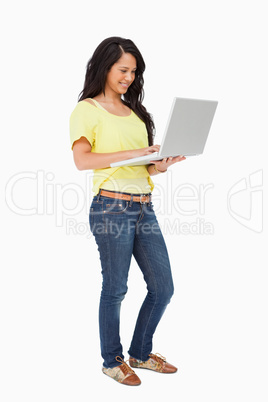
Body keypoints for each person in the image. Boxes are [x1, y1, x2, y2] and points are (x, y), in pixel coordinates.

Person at [69, 36, 185, 386]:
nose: (129, 77)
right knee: (116, 288)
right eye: (123, 70)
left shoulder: (135, 111)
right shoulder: (87, 110)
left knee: (163, 287)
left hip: (143, 207)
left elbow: (140, 167)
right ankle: (111, 360)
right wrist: (132, 155)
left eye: (134, 72)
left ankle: (141, 353)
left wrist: (159, 165)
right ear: (105, 67)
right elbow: (82, 161)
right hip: (111, 208)